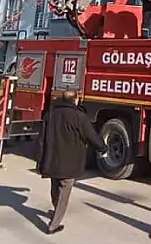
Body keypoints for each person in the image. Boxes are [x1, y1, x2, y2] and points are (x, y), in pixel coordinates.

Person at [36, 90, 107, 234]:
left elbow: (41, 140)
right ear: (75, 100)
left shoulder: (50, 115)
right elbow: (91, 136)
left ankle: (56, 211)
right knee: (64, 192)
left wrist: (40, 160)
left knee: (55, 187)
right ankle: (53, 225)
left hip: (52, 159)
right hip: (70, 161)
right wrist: (103, 147)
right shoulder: (79, 117)